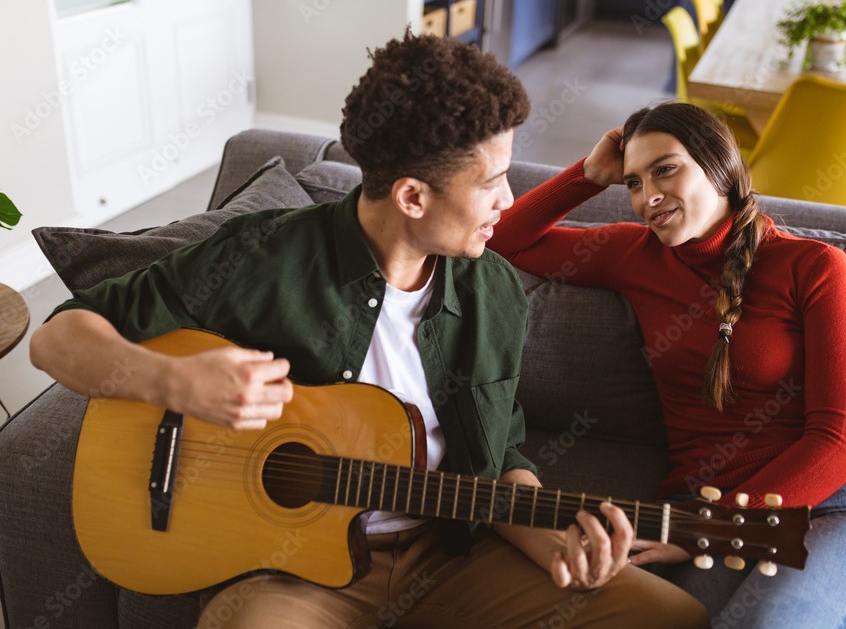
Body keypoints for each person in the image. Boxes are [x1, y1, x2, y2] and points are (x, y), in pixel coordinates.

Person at [30, 33, 708, 628]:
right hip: (288, 573)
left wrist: (558, 547)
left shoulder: (494, 293)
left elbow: (497, 459)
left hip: (448, 554)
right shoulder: (261, 257)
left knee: (671, 615)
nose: (508, 200)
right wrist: (176, 380)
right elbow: (57, 336)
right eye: (493, 181)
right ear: (412, 196)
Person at [486, 101, 846, 628]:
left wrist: (702, 527)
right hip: (693, 504)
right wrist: (589, 176)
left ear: (720, 165)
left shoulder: (815, 267)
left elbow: (838, 441)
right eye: (634, 183)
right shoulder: (633, 254)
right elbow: (497, 238)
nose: (648, 198)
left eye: (665, 169)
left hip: (828, 508)